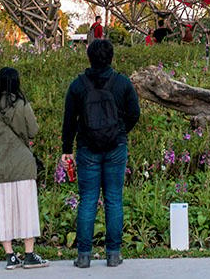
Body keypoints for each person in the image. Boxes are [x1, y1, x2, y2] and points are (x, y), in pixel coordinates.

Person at [60, 39, 141, 269]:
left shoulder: (78, 85)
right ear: (112, 57)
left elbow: (69, 120)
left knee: (87, 201)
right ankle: (113, 255)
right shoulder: (122, 83)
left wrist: (67, 149)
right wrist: (120, 132)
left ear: (89, 57)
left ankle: (84, 256)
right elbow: (135, 113)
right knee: (114, 199)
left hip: (87, 148)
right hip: (116, 147)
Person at [0, 67, 49, 269]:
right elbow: (33, 131)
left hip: (1, 165)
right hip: (23, 164)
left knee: (4, 210)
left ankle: (10, 256)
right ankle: (29, 254)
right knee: (26, 209)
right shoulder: (22, 105)